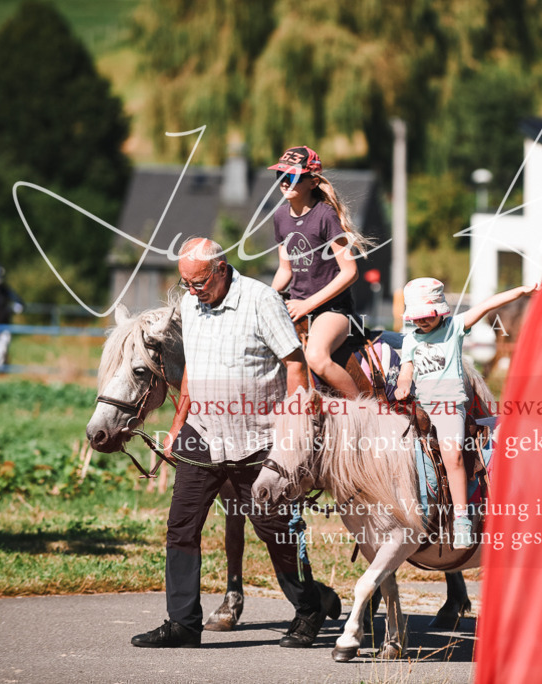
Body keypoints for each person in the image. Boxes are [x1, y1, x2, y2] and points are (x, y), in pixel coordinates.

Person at [131, 237, 338, 649]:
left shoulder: (261, 300)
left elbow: (295, 363)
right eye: (186, 283)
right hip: (203, 435)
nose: (193, 291)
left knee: (273, 528)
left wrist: (292, 432)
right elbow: (192, 368)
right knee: (181, 527)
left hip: (257, 440)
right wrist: (177, 425)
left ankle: (309, 607)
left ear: (222, 269)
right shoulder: (190, 305)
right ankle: (183, 624)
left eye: (201, 281)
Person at [395, 278, 538, 548]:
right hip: (423, 407)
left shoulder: (455, 327)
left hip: (449, 406)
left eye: (426, 317)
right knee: (407, 455)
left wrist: (520, 290)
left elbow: (486, 306)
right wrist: (403, 387)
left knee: (453, 455)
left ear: (439, 312)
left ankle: (461, 518)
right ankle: (420, 508)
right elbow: (406, 373)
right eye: (417, 318)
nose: (422, 323)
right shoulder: (410, 339)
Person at [269, 145, 371, 399]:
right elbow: (285, 270)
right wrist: (266, 299)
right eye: (280, 175)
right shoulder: (280, 215)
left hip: (333, 310)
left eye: (292, 176)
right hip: (296, 306)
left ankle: (361, 410)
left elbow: (350, 272)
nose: (285, 182)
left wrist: (308, 304)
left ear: (313, 182)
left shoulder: (325, 216)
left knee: (316, 358)